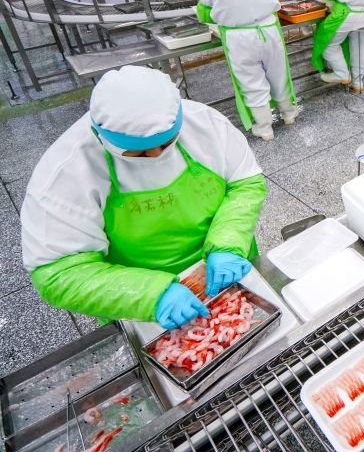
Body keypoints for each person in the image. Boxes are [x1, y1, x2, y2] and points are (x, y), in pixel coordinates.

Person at [20, 66, 266, 327]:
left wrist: (228, 243)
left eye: (167, 143)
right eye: (139, 153)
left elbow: (245, 184)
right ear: (102, 137)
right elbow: (59, 272)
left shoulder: (206, 124)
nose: (156, 156)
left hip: (227, 269)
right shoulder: (64, 174)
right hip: (144, 305)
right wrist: (150, 294)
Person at [196, 0, 298, 140]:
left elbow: (205, 10)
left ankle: (265, 128)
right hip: (269, 28)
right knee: (278, 74)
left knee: (251, 81)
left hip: (239, 35)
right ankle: (289, 114)